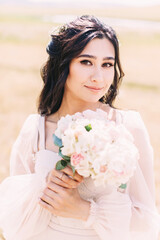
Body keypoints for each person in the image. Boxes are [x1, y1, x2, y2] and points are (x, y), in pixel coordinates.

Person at [0, 15, 160, 240]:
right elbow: (15, 222)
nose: (98, 77)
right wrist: (45, 187)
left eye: (107, 64)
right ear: (64, 64)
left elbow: (146, 221)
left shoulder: (128, 126)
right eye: (86, 62)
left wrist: (85, 211)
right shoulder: (34, 130)